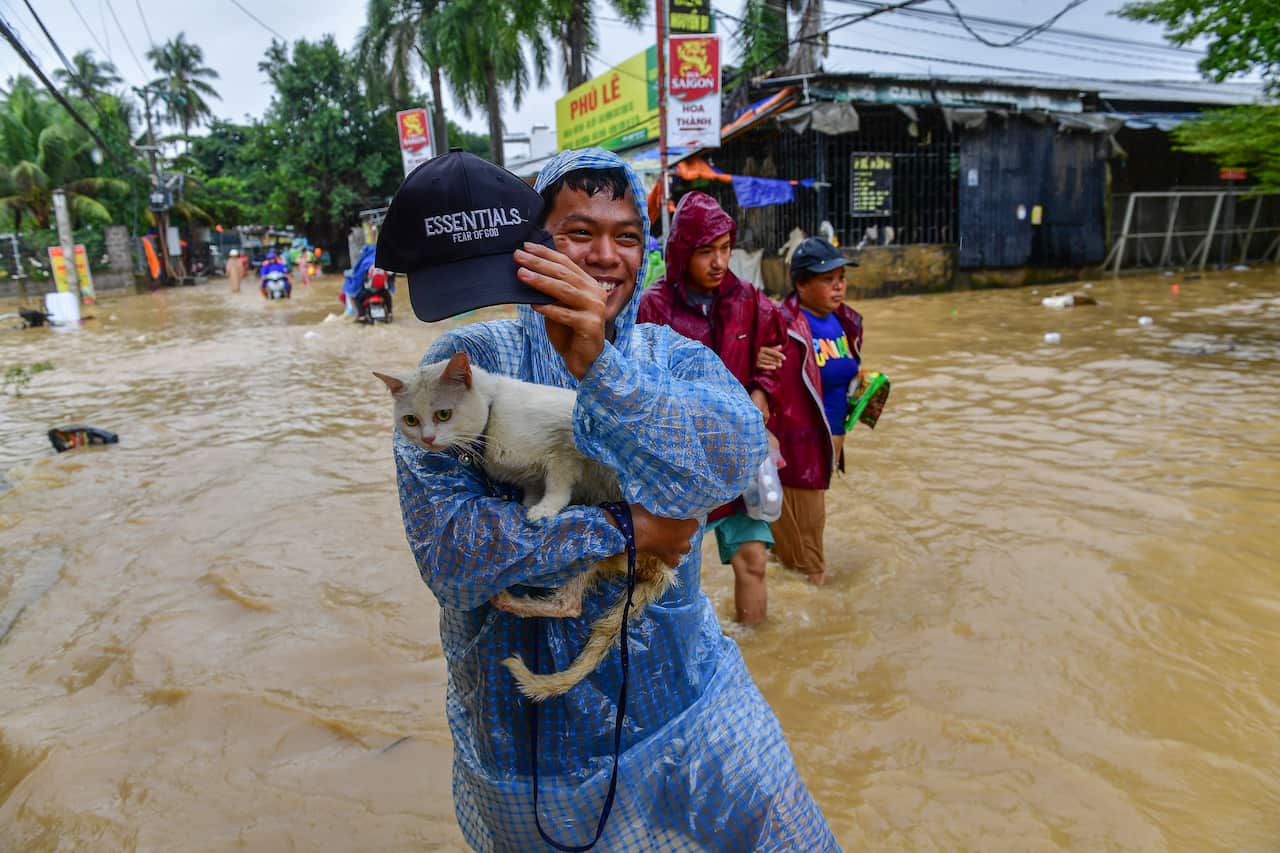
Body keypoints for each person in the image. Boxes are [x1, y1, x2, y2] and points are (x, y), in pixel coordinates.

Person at [389, 149, 836, 851]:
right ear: (531, 246)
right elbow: (450, 551)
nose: (605, 256)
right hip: (533, 756)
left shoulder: (668, 355)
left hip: (695, 706)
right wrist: (624, 530)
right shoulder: (465, 362)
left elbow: (732, 455)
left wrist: (604, 369)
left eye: (626, 235)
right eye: (578, 233)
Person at [637, 190, 786, 625]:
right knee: (669, 573)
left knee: (753, 560)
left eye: (725, 249)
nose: (719, 262)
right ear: (683, 252)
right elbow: (640, 385)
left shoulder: (747, 300)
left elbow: (776, 347)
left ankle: (756, 651)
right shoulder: (654, 305)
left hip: (739, 459)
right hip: (681, 462)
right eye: (706, 252)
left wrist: (761, 391)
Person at [767, 237, 864, 586]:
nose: (839, 285)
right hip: (797, 452)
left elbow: (837, 378)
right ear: (801, 284)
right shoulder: (781, 325)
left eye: (841, 277)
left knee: (793, 544)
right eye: (827, 278)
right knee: (811, 561)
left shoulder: (846, 321)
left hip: (827, 447)